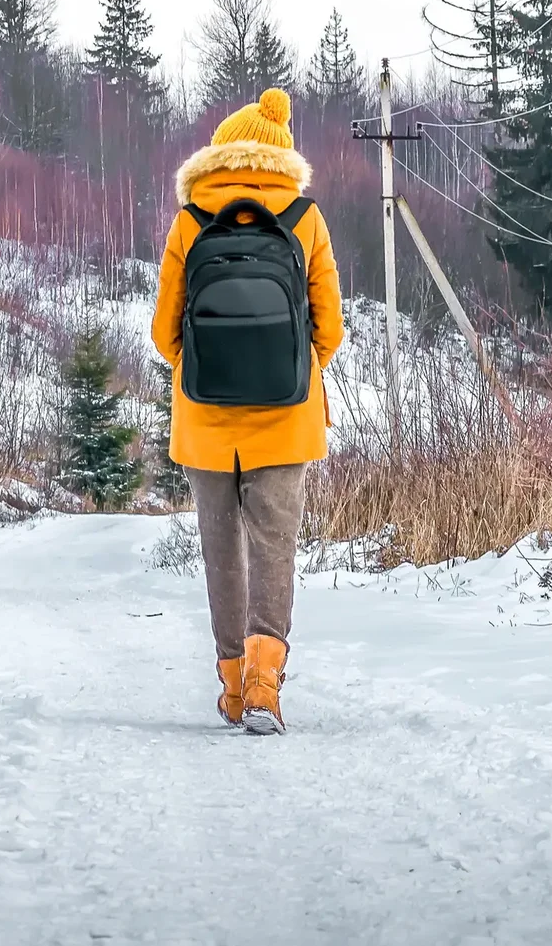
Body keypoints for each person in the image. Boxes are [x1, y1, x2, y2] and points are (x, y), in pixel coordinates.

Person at [151, 87, 344, 735]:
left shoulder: (189, 219)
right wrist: (292, 367)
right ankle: (266, 685)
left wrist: (201, 369)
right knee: (274, 552)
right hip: (286, 419)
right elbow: (333, 329)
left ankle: (232, 687)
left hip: (205, 422)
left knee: (221, 554)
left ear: (222, 150)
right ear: (280, 154)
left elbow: (161, 334)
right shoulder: (304, 217)